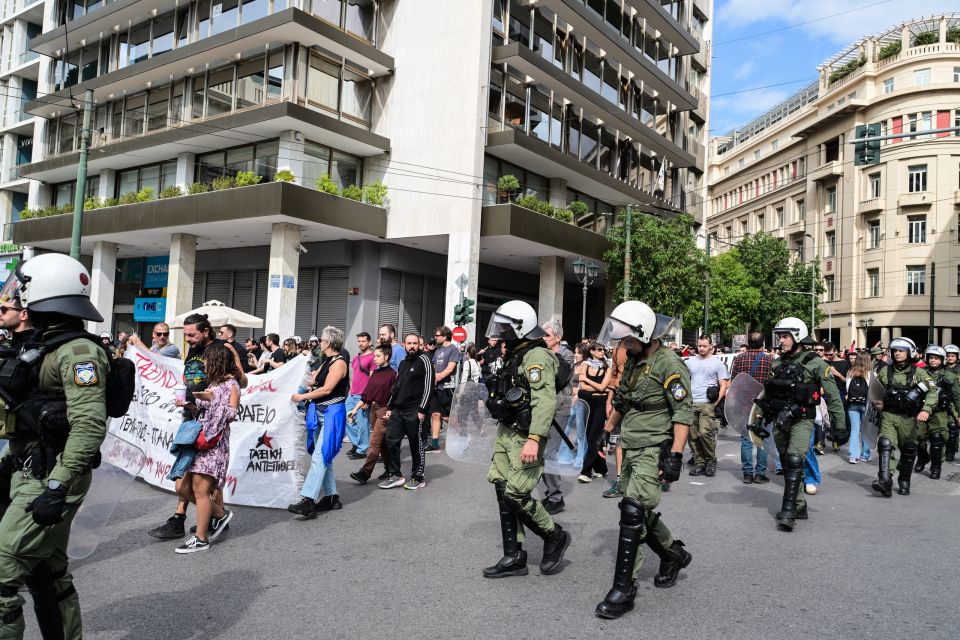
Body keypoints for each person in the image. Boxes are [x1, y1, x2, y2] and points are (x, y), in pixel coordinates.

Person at [0, 254, 111, 638]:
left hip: (52, 473)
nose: (11, 303)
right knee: (48, 572)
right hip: (31, 468)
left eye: (18, 295)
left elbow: (89, 423)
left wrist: (58, 484)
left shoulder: (79, 352)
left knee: (2, 577)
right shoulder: (42, 346)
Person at [594, 301, 693, 619]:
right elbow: (623, 400)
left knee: (633, 511)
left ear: (646, 333)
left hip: (654, 447)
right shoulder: (634, 362)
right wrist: (607, 430)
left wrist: (675, 456)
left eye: (628, 339)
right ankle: (673, 553)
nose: (624, 344)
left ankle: (624, 589)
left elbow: (682, 413)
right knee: (636, 509)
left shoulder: (670, 364)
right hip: (631, 444)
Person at [482, 300, 570, 580]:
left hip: (525, 435)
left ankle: (554, 536)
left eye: (506, 326)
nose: (501, 331)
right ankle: (515, 556)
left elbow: (545, 401)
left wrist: (534, 439)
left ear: (520, 327)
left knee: (516, 495)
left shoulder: (536, 357)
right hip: (507, 431)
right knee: (501, 488)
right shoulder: (516, 352)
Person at [147, 314, 247, 540]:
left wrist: (225, 383)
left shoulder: (223, 349)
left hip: (212, 416)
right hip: (192, 411)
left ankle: (198, 517)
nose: (188, 339)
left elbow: (242, 381)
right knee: (189, 468)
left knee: (207, 472)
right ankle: (206, 516)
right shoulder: (192, 350)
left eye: (192, 334)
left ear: (206, 331)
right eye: (186, 335)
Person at [752, 317, 845, 531]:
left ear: (798, 337)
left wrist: (840, 426)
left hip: (803, 420)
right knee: (787, 464)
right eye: (780, 336)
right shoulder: (777, 363)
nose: (781, 341)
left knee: (795, 459)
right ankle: (800, 505)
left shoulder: (816, 363)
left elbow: (833, 396)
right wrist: (757, 417)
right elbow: (767, 393)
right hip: (779, 420)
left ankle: (789, 511)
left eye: (785, 336)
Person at [174, 343, 240, 553]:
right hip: (199, 440)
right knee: (181, 487)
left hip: (214, 443)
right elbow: (204, 414)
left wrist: (212, 401)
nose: (204, 362)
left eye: (207, 359)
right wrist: (191, 406)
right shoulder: (213, 384)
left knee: (201, 490)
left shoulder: (231, 385)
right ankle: (219, 515)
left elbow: (231, 414)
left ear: (217, 361)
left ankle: (200, 538)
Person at [288, 327, 349, 518]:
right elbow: (317, 382)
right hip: (320, 412)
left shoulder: (339, 363)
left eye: (321, 340)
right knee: (323, 456)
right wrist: (312, 383)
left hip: (332, 413)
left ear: (329, 343)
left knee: (320, 456)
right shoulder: (327, 361)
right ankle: (331, 497)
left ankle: (308, 500)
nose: (318, 342)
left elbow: (327, 390)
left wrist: (301, 396)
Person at [871, 338, 937, 496]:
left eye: (901, 350)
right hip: (888, 415)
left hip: (909, 418)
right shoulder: (885, 371)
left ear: (910, 352)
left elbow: (933, 392)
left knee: (909, 450)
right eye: (895, 350)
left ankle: (904, 480)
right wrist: (876, 403)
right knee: (886, 444)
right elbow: (875, 391)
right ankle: (885, 481)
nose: (897, 353)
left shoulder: (919, 373)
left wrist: (926, 410)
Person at [379, 333, 433, 490]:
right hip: (398, 409)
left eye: (415, 343)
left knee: (416, 444)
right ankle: (395, 475)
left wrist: (422, 409)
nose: (412, 346)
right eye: (409, 343)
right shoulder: (402, 363)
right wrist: (390, 407)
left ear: (419, 345)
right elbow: (396, 387)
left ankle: (418, 476)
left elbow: (429, 386)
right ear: (404, 345)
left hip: (415, 410)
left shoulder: (425, 360)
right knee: (391, 440)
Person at [349, 344, 398, 485]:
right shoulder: (375, 373)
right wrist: (355, 410)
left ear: (386, 356)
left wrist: (390, 410)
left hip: (385, 410)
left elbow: (395, 395)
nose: (374, 358)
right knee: (382, 444)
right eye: (374, 355)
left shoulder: (392, 375)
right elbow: (366, 394)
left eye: (378, 356)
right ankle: (390, 470)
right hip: (374, 409)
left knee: (374, 442)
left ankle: (365, 473)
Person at [729, 331, 772, 483]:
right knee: (762, 438)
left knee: (746, 438)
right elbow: (771, 384)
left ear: (748, 342)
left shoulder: (739, 358)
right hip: (763, 404)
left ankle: (747, 473)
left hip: (744, 404)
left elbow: (734, 382)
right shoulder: (769, 360)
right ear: (763, 343)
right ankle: (760, 473)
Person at [540, 320, 574, 514]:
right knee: (540, 452)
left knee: (549, 453)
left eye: (546, 335)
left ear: (558, 337)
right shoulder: (542, 353)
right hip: (542, 408)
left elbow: (557, 379)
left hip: (559, 409)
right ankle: (551, 493)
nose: (543, 339)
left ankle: (556, 497)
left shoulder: (566, 356)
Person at [686, 335, 730, 477]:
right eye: (700, 346)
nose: (702, 348)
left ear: (711, 346)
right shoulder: (690, 362)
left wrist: (715, 403)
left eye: (705, 346)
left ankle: (711, 460)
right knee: (693, 436)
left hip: (707, 403)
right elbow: (685, 380)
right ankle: (700, 464)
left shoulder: (718, 363)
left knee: (704, 433)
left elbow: (724, 385)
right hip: (692, 403)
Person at [913, 345, 959, 480]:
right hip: (921, 411)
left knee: (937, 440)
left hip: (939, 413)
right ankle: (922, 457)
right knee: (918, 439)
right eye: (931, 358)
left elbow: (957, 395)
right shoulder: (920, 372)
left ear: (942, 360)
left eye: (936, 358)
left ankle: (936, 467)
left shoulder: (950, 375)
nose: (933, 360)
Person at [578, 342, 612, 483]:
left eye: (603, 349)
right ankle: (601, 468)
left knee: (593, 436)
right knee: (591, 436)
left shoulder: (607, 367)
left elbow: (604, 386)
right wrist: (599, 389)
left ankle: (586, 471)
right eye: (599, 349)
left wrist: (587, 381)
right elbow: (582, 387)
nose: (602, 352)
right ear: (592, 351)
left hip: (600, 404)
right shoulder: (585, 364)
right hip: (587, 404)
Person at [426, 326, 460, 454]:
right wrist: (432, 377)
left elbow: (450, 368)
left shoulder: (453, 349)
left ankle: (462, 433)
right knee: (435, 415)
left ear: (445, 336)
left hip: (447, 388)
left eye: (437, 335)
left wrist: (438, 377)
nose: (435, 337)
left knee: (446, 417)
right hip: (436, 387)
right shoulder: (438, 350)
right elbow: (434, 366)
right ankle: (434, 444)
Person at [344, 332, 375, 461]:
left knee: (363, 423)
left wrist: (368, 398)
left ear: (369, 342)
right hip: (352, 394)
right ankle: (358, 443)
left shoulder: (373, 357)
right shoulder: (356, 358)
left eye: (363, 341)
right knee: (347, 419)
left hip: (363, 396)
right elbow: (354, 376)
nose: (361, 343)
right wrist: (350, 392)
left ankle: (362, 449)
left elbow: (373, 379)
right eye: (359, 341)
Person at [845, 351, 873, 464]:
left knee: (854, 429)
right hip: (865, 404)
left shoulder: (850, 372)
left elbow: (847, 389)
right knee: (865, 430)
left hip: (852, 404)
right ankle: (865, 455)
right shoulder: (870, 373)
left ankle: (853, 455)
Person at [944, 344, 960, 461]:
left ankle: (951, 451)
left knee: (953, 427)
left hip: (956, 401)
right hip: (942, 401)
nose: (950, 358)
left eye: (952, 356)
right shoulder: (941, 369)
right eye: (948, 356)